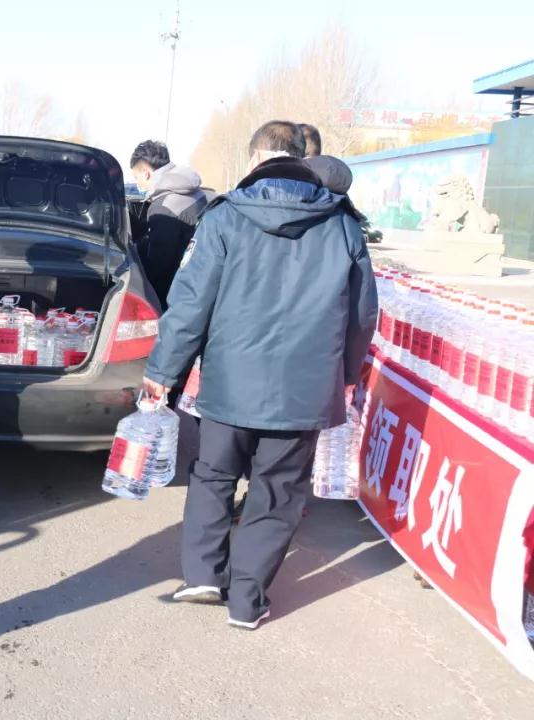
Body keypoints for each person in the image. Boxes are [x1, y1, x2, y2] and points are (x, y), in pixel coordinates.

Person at [143, 120, 378, 630]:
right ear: (302, 158)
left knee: (213, 475)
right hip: (306, 387)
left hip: (230, 381)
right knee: (277, 490)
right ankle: (247, 602)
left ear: (255, 159)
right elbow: (363, 315)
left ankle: (203, 576)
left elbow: (190, 304)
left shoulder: (226, 216)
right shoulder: (342, 224)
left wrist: (163, 371)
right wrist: (346, 374)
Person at [128, 140, 207, 308]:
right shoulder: (193, 190)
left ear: (146, 173)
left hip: (176, 296)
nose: (137, 183)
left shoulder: (164, 206)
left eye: (136, 177)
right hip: (198, 281)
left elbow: (158, 266)